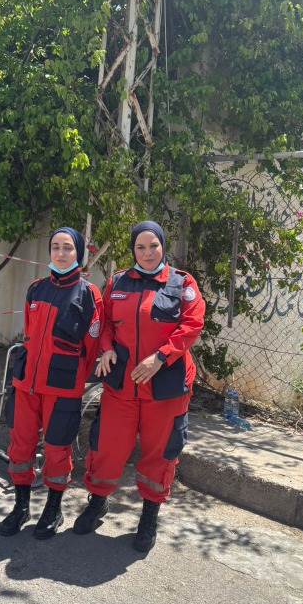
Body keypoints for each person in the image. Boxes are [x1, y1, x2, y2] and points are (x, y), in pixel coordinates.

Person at [73, 220, 205, 552]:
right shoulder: (118, 281)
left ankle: (149, 516)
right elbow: (104, 323)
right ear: (133, 250)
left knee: (160, 453)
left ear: (163, 246)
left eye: (153, 246)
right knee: (106, 446)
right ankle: (98, 501)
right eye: (140, 247)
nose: (147, 253)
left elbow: (192, 324)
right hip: (123, 385)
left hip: (165, 386)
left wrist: (161, 357)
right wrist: (105, 348)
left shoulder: (182, 283)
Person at [0, 227, 103, 540]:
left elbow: (91, 348)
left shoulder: (89, 294)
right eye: (55, 247)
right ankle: (21, 507)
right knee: (20, 446)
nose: (60, 253)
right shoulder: (36, 289)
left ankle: (53, 509)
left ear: (78, 253)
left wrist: (70, 376)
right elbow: (30, 334)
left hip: (61, 387)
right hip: (26, 384)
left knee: (57, 449)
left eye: (68, 247)